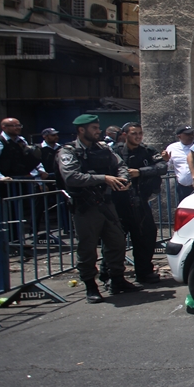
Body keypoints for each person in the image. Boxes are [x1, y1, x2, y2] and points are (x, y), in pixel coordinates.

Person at [57, 114, 136, 303]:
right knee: (87, 247)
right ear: (81, 130)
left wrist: (123, 179)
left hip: (106, 204)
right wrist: (104, 178)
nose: (98, 131)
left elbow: (120, 164)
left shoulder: (103, 148)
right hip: (85, 207)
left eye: (98, 127)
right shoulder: (68, 151)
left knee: (117, 241)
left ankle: (116, 279)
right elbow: (71, 177)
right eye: (93, 128)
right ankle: (90, 286)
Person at [112, 122, 169, 284]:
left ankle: (144, 272)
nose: (138, 137)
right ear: (125, 135)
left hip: (140, 201)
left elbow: (161, 166)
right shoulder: (115, 152)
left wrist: (140, 172)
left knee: (146, 236)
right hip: (119, 202)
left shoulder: (147, 151)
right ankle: (113, 276)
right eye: (133, 133)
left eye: (140, 133)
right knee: (115, 241)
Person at [165, 126, 194, 202]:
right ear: (179, 136)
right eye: (188, 134)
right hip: (183, 187)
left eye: (192, 133)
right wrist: (165, 160)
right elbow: (168, 165)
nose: (191, 136)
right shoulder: (172, 148)